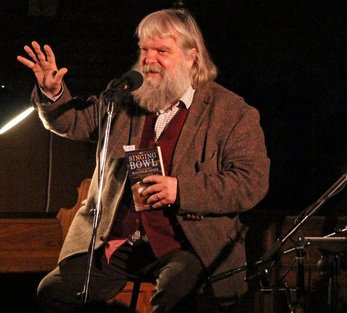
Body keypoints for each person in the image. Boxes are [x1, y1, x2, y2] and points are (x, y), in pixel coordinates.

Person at [17, 8, 270, 313]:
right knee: (55, 291)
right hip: (119, 239)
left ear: (192, 57)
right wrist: (53, 92)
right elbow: (76, 122)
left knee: (176, 294)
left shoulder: (231, 112)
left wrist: (181, 190)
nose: (149, 59)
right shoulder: (125, 97)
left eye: (162, 50)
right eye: (144, 49)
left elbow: (251, 182)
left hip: (185, 243)